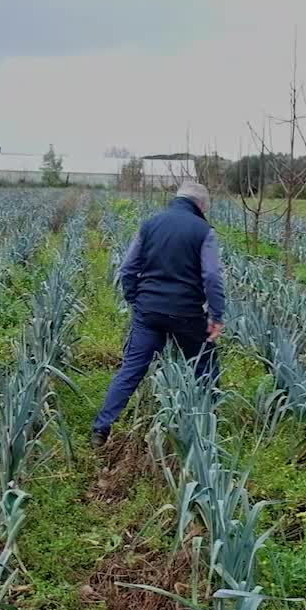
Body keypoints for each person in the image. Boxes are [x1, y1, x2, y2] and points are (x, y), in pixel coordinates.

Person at [91, 181, 225, 448]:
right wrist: (217, 316)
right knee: (204, 365)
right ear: (201, 204)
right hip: (186, 314)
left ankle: (101, 429)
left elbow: (127, 269)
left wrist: (135, 301)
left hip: (149, 312)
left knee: (131, 370)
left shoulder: (149, 225)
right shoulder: (203, 231)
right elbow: (211, 276)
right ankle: (207, 427)